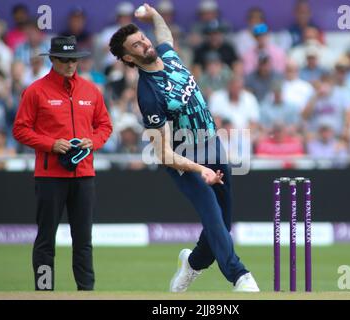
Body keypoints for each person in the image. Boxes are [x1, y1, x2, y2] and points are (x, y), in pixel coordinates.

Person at [109, 4, 259, 293]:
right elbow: (163, 153)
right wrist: (200, 168)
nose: (144, 43)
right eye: (136, 45)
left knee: (221, 227)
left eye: (143, 38)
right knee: (212, 216)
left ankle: (192, 264)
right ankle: (240, 276)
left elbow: (164, 34)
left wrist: (152, 15)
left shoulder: (168, 56)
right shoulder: (148, 94)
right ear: (129, 58)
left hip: (212, 145)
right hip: (183, 158)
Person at [12, 36, 113, 291]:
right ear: (53, 60)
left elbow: (105, 125)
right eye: (65, 60)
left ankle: (86, 293)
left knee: (83, 240)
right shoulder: (35, 90)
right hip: (50, 176)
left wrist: (93, 141)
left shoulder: (91, 90)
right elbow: (20, 130)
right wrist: (50, 144)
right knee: (46, 238)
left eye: (75, 60)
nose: (71, 65)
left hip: (84, 175)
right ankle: (44, 291)